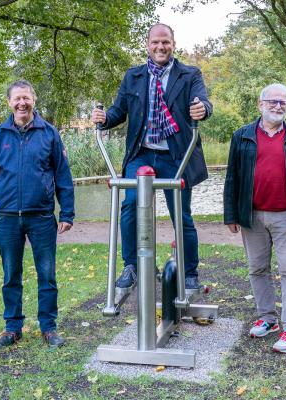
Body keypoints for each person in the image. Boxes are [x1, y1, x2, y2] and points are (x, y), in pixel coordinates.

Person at [90, 23, 212, 290]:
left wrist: (202, 108)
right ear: (147, 45)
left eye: (165, 42)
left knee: (182, 215)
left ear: (173, 44)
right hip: (142, 154)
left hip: (175, 155)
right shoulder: (134, 76)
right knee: (130, 203)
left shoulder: (189, 74)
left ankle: (189, 272)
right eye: (155, 42)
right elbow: (117, 112)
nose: (160, 47)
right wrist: (104, 118)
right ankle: (132, 266)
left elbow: (203, 102)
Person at [0, 80, 74, 348]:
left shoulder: (49, 133)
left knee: (47, 274)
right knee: (11, 274)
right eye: (17, 99)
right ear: (9, 103)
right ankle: (12, 327)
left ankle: (49, 327)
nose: (22, 103)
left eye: (26, 98)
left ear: (34, 100)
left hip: (42, 216)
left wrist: (67, 212)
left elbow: (62, 175)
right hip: (7, 217)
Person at [223, 83, 286, 353]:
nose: (278, 106)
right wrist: (231, 213)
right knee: (257, 268)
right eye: (273, 102)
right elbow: (233, 177)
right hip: (252, 216)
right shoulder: (242, 136)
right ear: (260, 104)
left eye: (283, 102)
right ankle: (267, 318)